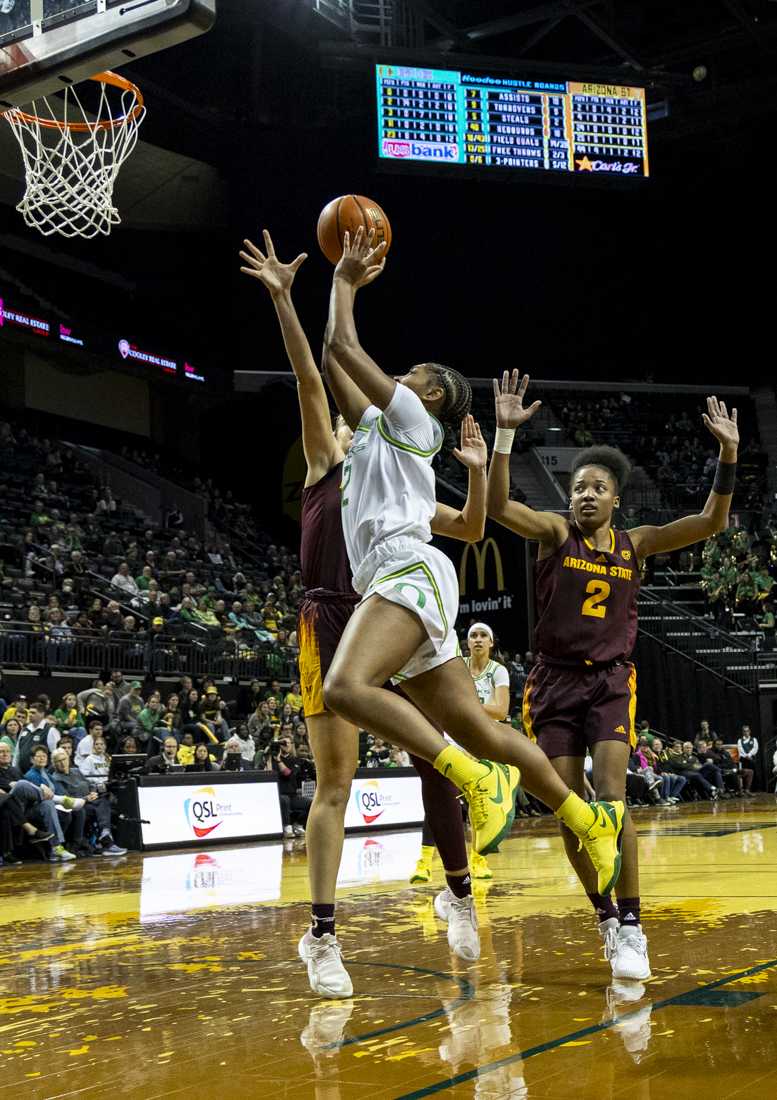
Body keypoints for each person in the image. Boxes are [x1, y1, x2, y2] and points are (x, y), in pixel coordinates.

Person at [302, 228, 624, 992]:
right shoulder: (387, 438)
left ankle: (475, 782)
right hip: (417, 572)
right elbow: (331, 359)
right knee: (485, 727)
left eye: (416, 373)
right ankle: (587, 822)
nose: (404, 375)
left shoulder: (414, 420)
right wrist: (478, 475)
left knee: (347, 689)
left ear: (436, 395)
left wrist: (345, 282)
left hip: (406, 576)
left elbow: (346, 349)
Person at [240, 231, 544, 996]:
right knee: (334, 782)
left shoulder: (403, 486)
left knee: (430, 762)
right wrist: (282, 296)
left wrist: (480, 470)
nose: (355, 418)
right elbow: (315, 369)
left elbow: (472, 527)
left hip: (395, 608)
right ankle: (322, 937)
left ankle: (459, 891)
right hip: (333, 618)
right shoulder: (327, 462)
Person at [486, 370, 740, 981]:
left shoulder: (637, 542)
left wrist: (728, 456)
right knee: (571, 808)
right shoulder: (553, 533)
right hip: (552, 682)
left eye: (597, 487)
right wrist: (502, 436)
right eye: (577, 488)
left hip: (609, 682)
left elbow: (709, 522)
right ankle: (604, 916)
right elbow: (496, 507)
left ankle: (630, 922)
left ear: (616, 498)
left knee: (614, 801)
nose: (585, 495)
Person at [412, 620, 510, 884]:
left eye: (483, 635)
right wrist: (473, 705)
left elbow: (500, 710)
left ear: (491, 643)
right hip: (454, 740)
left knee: (481, 806)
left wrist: (465, 704)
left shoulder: (498, 671)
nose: (477, 639)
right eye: (473, 635)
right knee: (440, 796)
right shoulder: (458, 666)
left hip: (483, 742)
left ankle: (478, 860)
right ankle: (424, 862)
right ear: (467, 642)